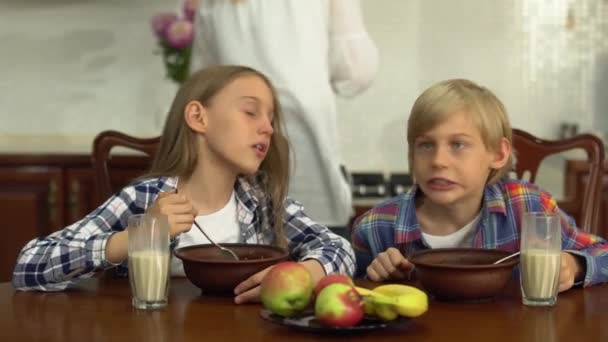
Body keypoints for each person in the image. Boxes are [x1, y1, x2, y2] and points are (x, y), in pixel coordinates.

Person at [12, 65, 356, 304]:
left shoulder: (264, 201)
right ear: (198, 117)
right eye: (251, 112)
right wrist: (137, 236)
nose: (267, 127)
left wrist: (307, 272)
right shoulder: (144, 198)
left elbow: (338, 248)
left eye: (270, 118)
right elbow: (29, 265)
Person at [351, 79, 608, 292]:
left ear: (497, 153)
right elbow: (353, 296)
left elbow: (602, 252)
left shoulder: (529, 207)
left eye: (458, 145)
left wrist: (575, 265)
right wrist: (377, 280)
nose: (438, 161)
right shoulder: (375, 228)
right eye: (426, 145)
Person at [189, 0, 379, 229]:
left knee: (248, 252)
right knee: (318, 255)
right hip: (309, 170)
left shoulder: (212, 4)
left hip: (235, 186)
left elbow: (201, 86)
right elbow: (357, 73)